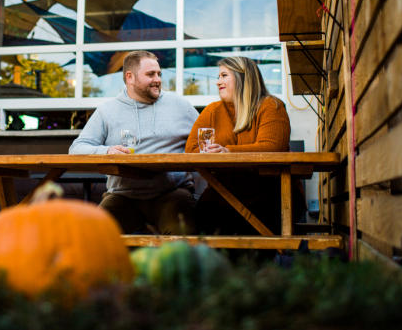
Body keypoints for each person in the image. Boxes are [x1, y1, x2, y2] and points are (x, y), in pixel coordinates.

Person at [70, 50, 199, 235]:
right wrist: (106, 152)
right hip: (123, 197)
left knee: (182, 242)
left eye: (159, 74)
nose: (158, 79)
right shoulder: (107, 110)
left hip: (172, 193)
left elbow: (206, 138)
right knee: (94, 237)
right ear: (130, 77)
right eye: (150, 74)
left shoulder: (179, 105)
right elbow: (76, 149)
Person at [185, 56, 304, 236]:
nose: (218, 82)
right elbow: (192, 150)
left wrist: (227, 152)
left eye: (224, 75)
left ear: (243, 77)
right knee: (204, 219)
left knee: (255, 229)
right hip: (223, 193)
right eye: (218, 76)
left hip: (270, 193)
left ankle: (272, 261)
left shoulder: (271, 106)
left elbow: (271, 148)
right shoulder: (212, 111)